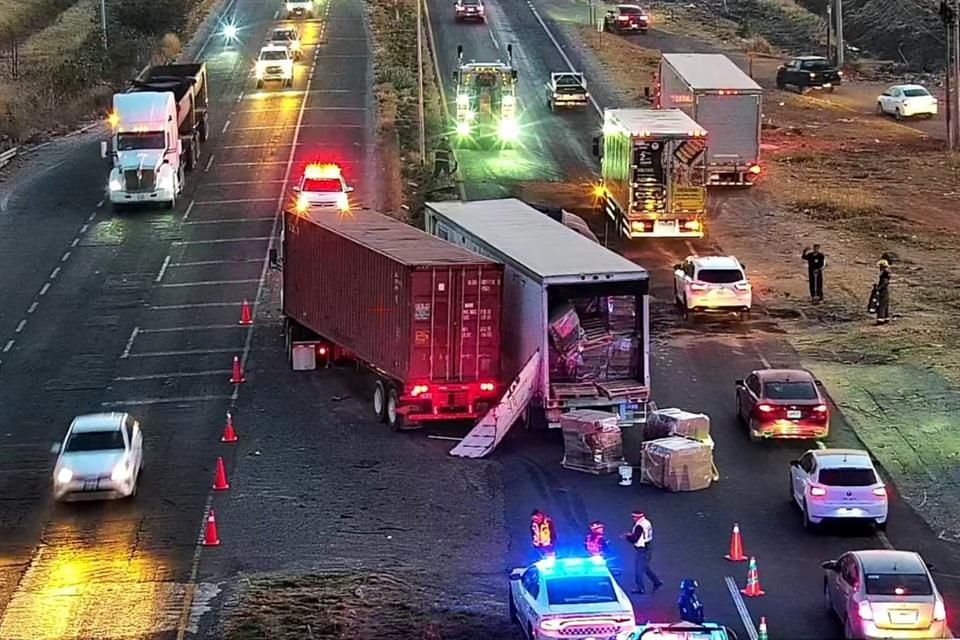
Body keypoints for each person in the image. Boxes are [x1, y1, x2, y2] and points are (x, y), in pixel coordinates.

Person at [623, 510, 663, 595]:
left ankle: (640, 588)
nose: (633, 519)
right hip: (648, 546)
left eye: (634, 517)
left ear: (638, 517)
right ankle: (657, 581)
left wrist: (627, 537)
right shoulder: (647, 522)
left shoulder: (639, 526)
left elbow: (634, 539)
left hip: (642, 549)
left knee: (638, 570)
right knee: (645, 567)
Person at [874, 259, 891, 325]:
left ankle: (880, 319)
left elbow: (885, 282)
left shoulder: (885, 273)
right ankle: (886, 318)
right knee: (885, 305)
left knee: (882, 305)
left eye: (880, 266)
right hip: (885, 291)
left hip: (883, 292)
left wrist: (878, 288)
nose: (879, 267)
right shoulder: (886, 273)